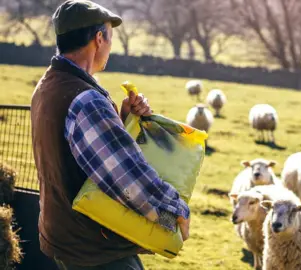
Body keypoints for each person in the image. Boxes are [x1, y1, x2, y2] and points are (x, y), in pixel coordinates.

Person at [30, 1, 190, 269]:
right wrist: (173, 213)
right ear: (99, 38)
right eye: (110, 37)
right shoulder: (86, 99)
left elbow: (75, 152)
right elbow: (126, 178)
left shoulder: (48, 85)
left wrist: (123, 121)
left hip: (64, 238)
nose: (111, 46)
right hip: (94, 249)